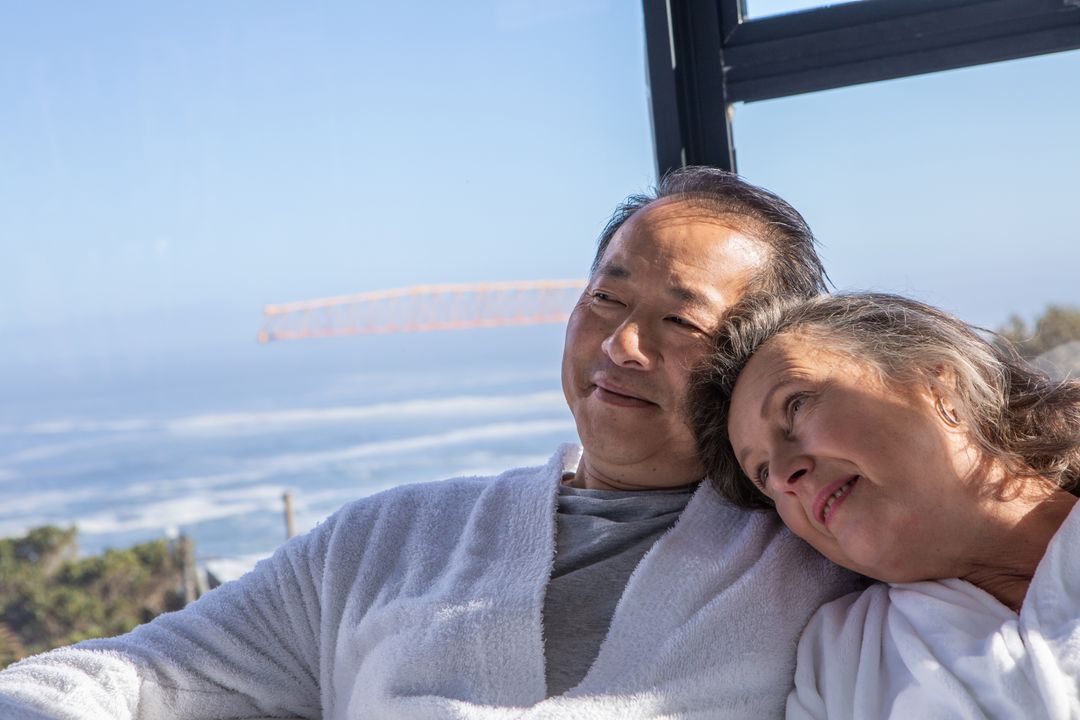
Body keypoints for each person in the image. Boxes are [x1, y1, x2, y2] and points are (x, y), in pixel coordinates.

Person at [0, 168, 859, 719]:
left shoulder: (820, 559)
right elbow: (134, 675)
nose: (619, 346)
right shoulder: (384, 541)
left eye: (678, 320)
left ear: (754, 359)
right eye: (605, 298)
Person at [689, 292, 1080, 719]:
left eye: (796, 405)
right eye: (762, 473)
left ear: (937, 384)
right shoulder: (839, 664)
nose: (783, 474)